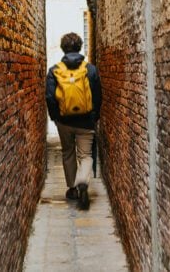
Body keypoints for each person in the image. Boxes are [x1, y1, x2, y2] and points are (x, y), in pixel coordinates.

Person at [45, 32, 102, 210]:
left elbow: (50, 97)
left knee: (68, 153)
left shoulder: (54, 70)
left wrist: (55, 117)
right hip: (86, 121)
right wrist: (95, 116)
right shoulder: (90, 69)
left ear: (63, 48)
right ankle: (83, 181)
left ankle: (72, 189)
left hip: (64, 121)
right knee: (85, 155)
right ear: (79, 47)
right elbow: (98, 95)